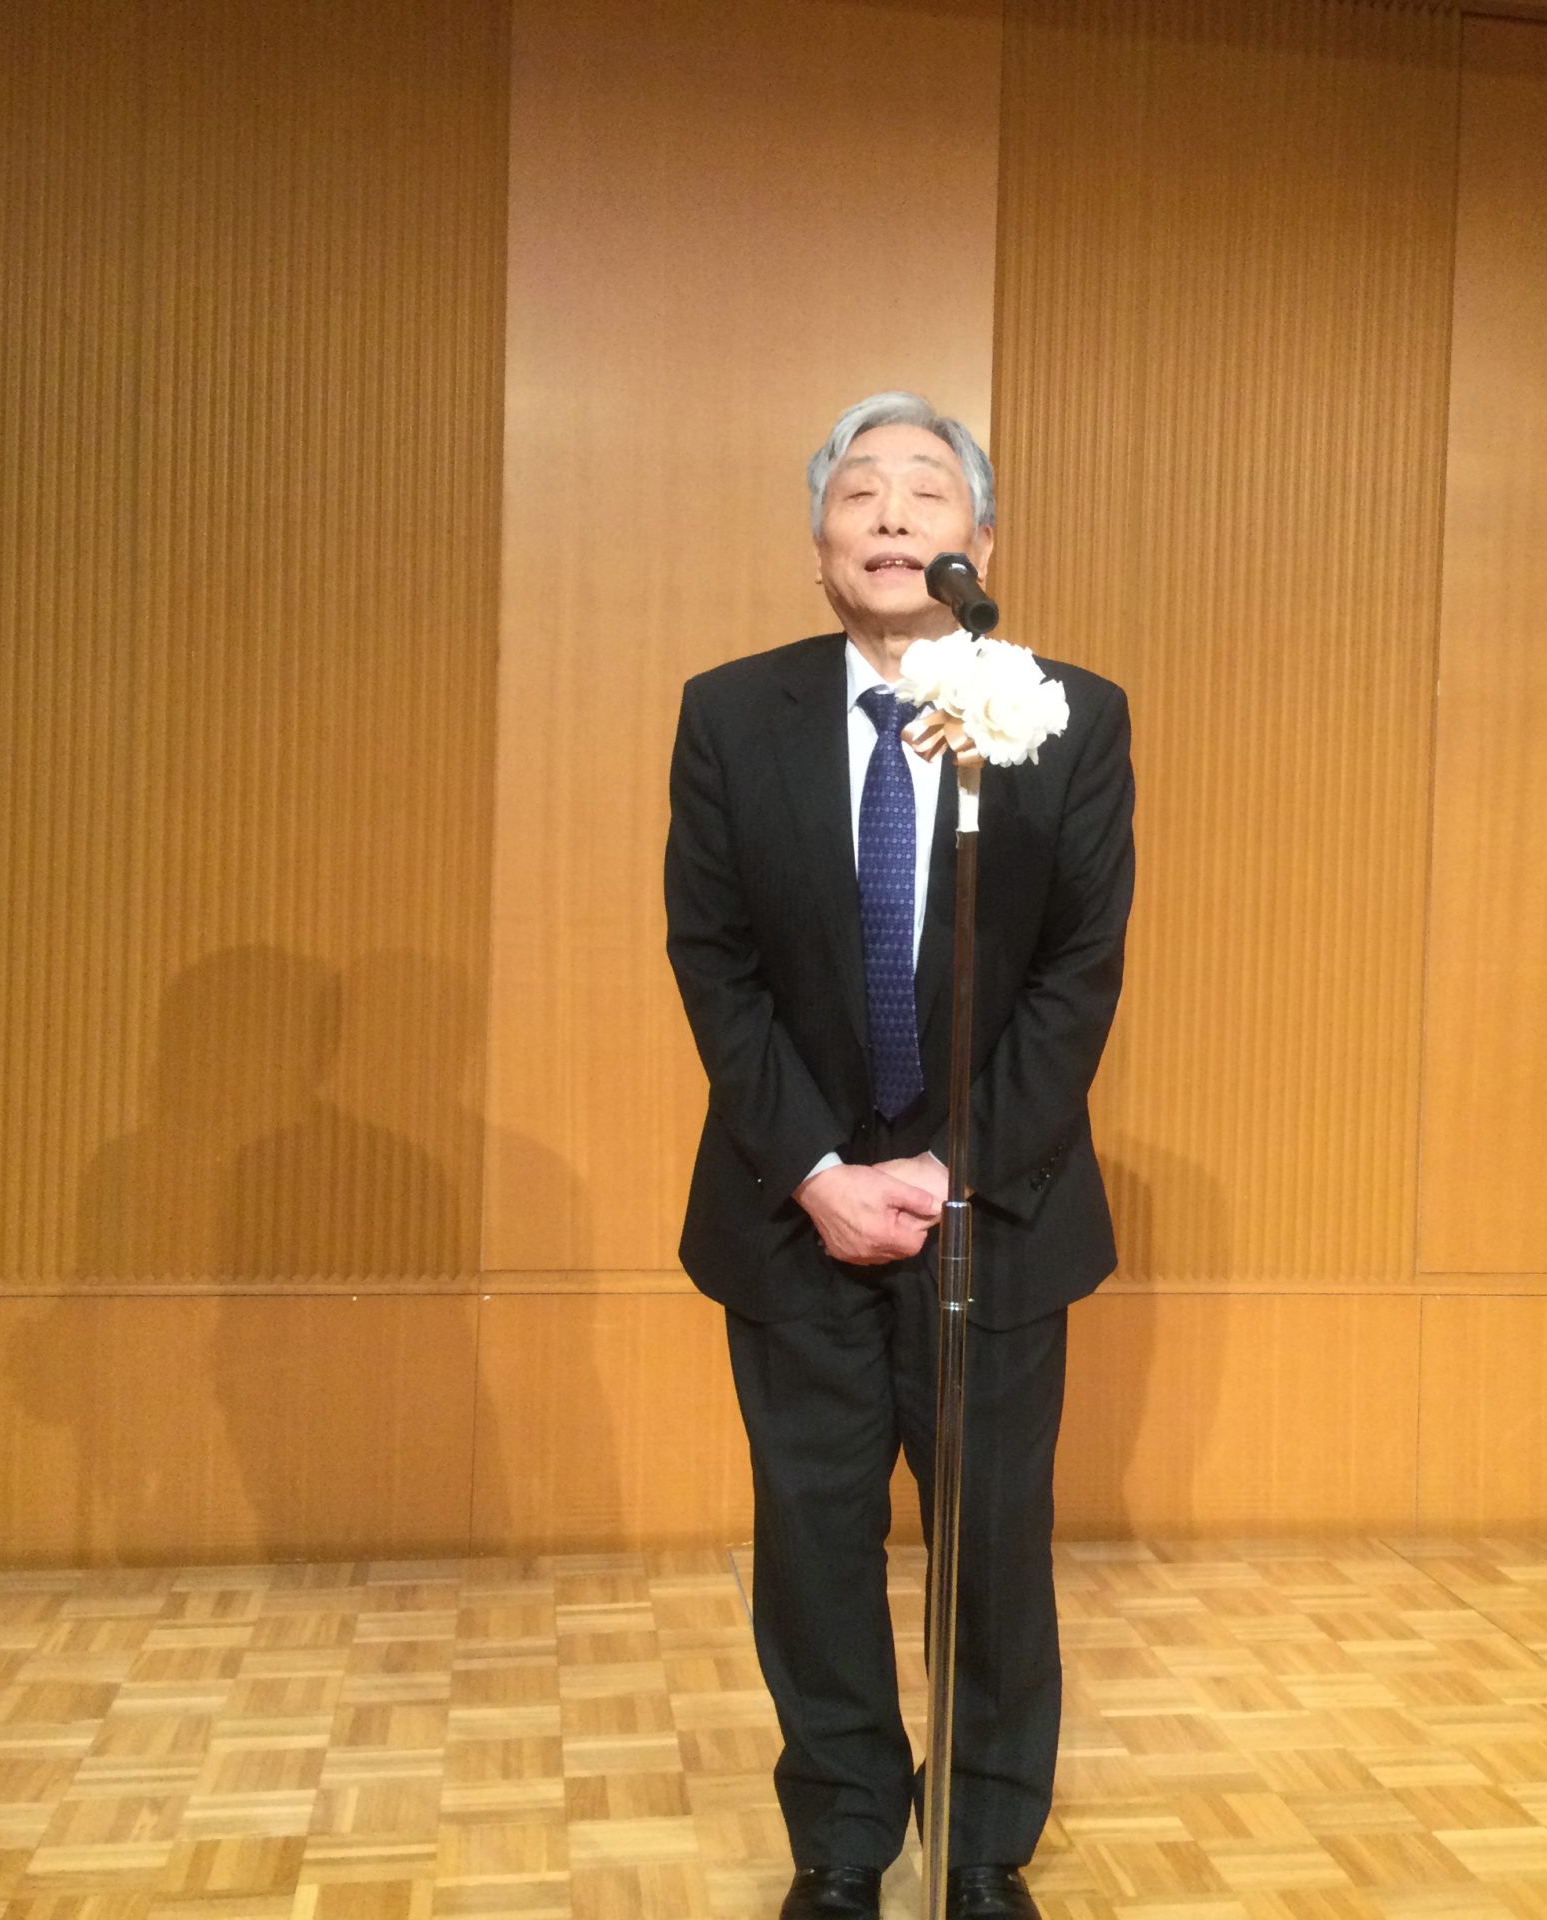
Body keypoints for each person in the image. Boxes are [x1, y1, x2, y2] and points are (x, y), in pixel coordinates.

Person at [664, 392, 1135, 1920]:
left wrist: (956, 1168)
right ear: (816, 545)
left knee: (991, 1546)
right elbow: (713, 962)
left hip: (994, 1213)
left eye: (923, 491)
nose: (887, 513)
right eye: (856, 491)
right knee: (812, 1544)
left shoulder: (1069, 713)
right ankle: (843, 1844)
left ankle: (983, 1847)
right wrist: (817, 1168)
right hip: (789, 1214)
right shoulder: (731, 714)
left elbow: (1078, 973)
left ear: (979, 541)